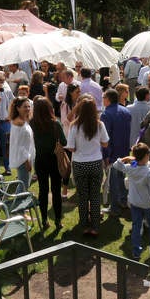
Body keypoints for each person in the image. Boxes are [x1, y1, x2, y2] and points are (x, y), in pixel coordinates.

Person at [65, 96, 109, 237]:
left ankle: (84, 224)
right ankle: (95, 226)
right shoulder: (99, 125)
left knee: (83, 196)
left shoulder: (74, 126)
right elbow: (105, 143)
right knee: (95, 196)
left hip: (80, 164)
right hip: (96, 163)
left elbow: (70, 147)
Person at [112, 143, 150, 260]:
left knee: (136, 226)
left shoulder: (131, 168)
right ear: (145, 156)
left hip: (134, 203)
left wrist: (126, 158)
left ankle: (136, 251)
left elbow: (116, 164)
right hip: (147, 204)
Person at [31, 96, 67, 229]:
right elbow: (64, 142)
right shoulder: (55, 124)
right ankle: (58, 220)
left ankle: (44, 220)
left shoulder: (32, 123)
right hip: (54, 160)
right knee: (56, 191)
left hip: (40, 160)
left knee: (43, 190)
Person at [102, 89, 132, 214]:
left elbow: (105, 138)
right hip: (124, 150)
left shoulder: (106, 114)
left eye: (104, 97)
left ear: (108, 99)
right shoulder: (126, 111)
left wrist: (106, 155)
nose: (102, 99)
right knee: (121, 177)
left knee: (113, 181)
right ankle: (123, 201)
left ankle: (115, 207)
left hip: (113, 153)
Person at [9, 97, 35, 191]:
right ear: (18, 108)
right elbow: (19, 145)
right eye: (25, 107)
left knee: (23, 185)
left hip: (26, 157)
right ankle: (17, 204)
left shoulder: (23, 121)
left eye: (29, 106)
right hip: (23, 160)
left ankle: (17, 203)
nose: (28, 109)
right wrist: (26, 162)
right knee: (23, 187)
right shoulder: (18, 123)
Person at [0, 72, 15, 174]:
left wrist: (10, 116)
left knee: (6, 146)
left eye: (2, 81)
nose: (1, 83)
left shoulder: (7, 89)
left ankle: (7, 168)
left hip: (5, 121)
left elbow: (13, 101)